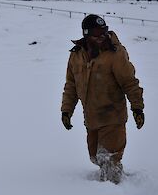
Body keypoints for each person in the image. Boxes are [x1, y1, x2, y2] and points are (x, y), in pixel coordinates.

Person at [61, 14, 145, 184]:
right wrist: (66, 110)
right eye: (96, 32)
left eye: (103, 31)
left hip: (112, 116)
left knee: (109, 158)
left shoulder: (115, 53)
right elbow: (71, 85)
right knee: (95, 157)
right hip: (91, 118)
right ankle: (108, 181)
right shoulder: (76, 55)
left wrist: (137, 108)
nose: (101, 36)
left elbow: (129, 82)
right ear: (86, 33)